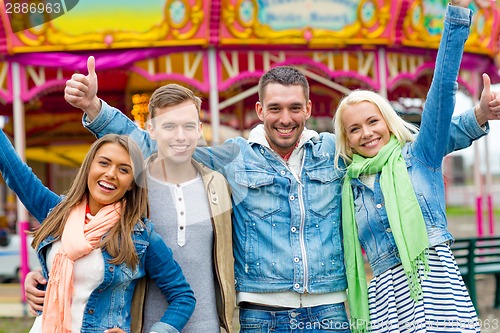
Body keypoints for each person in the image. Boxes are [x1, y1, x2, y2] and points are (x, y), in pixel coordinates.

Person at [57, 3, 494, 330]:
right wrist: (98, 109)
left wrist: (474, 120)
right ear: (259, 109)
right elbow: (160, 147)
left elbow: (414, 147)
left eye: (294, 108)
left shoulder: (335, 152)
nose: (285, 118)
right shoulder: (234, 157)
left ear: (307, 108)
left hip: (331, 311)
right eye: (275, 108)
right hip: (260, 314)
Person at [27, 80, 235, 332]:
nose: (180, 135)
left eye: (188, 126)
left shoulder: (220, 184)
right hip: (139, 324)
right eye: (169, 126)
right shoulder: (134, 185)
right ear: (151, 130)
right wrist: (46, 274)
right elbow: (87, 234)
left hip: (208, 326)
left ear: (200, 129)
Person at [333, 1, 485, 331]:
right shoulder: (348, 182)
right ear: (345, 138)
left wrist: (457, 15)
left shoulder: (418, 157)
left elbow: (442, 91)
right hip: (386, 299)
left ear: (387, 121)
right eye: (354, 129)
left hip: (434, 286)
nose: (366, 133)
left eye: (372, 121)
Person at [0, 131, 196, 333]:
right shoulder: (55, 212)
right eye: (104, 163)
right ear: (89, 168)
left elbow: (183, 297)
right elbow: (14, 170)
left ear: (131, 184)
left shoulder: (140, 237)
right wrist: (39, 279)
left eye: (123, 169)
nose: (111, 173)